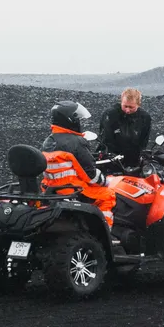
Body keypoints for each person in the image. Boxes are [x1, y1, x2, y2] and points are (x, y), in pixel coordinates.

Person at [40, 100, 116, 228]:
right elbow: (91, 175)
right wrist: (105, 181)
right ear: (70, 120)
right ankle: (104, 231)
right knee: (108, 195)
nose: (79, 122)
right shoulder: (77, 142)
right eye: (78, 119)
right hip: (72, 190)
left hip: (50, 190)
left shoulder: (48, 141)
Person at [97, 88, 153, 167]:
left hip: (133, 157)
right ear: (121, 102)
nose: (127, 110)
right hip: (111, 157)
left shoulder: (145, 118)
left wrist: (141, 156)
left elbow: (143, 141)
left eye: (131, 107)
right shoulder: (110, 114)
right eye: (125, 106)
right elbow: (106, 139)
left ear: (138, 104)